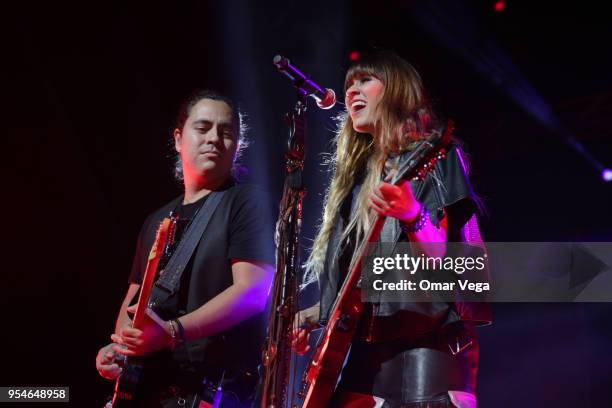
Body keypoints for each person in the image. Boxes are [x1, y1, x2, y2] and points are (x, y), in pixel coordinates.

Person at [294, 50, 491, 408]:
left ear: (397, 90)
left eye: (365, 80)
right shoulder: (352, 181)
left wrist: (413, 214)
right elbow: (361, 281)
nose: (352, 90)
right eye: (349, 83)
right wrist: (311, 315)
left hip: (427, 346)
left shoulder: (435, 158)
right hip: (363, 350)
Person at [95, 90, 275, 407]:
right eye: (203, 128)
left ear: (237, 146)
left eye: (227, 132)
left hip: (208, 392)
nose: (215, 139)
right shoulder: (156, 220)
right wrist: (120, 348)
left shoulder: (246, 202)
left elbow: (253, 291)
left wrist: (173, 332)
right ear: (179, 139)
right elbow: (132, 305)